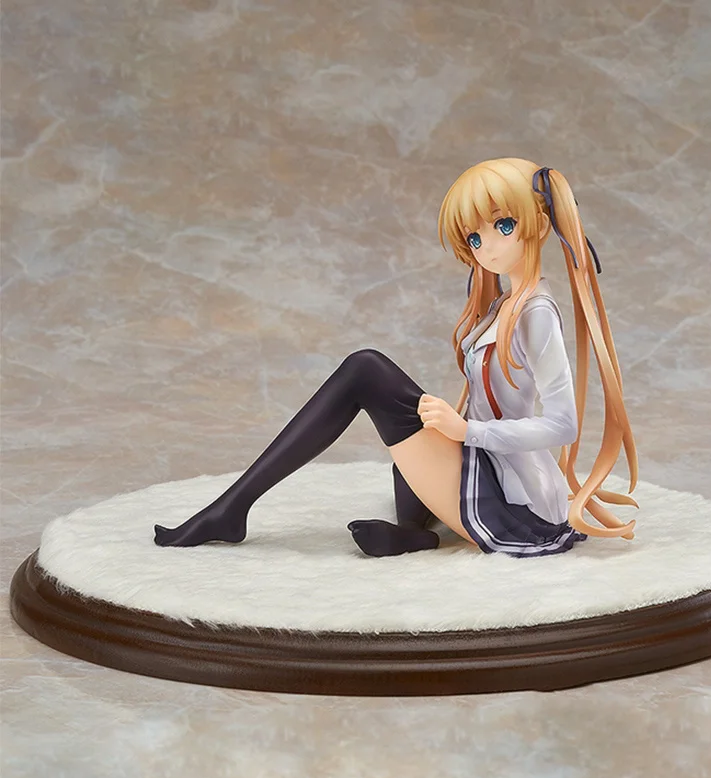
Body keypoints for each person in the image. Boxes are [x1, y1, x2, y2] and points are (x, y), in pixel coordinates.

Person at [154, 158, 638, 557]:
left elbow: (563, 425)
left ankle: (232, 509)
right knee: (408, 424)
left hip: (513, 499)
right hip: (480, 462)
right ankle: (414, 534)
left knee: (366, 369)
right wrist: (454, 427)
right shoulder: (502, 305)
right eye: (474, 238)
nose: (486, 247)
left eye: (502, 225)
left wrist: (467, 431)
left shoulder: (536, 313)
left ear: (536, 223)